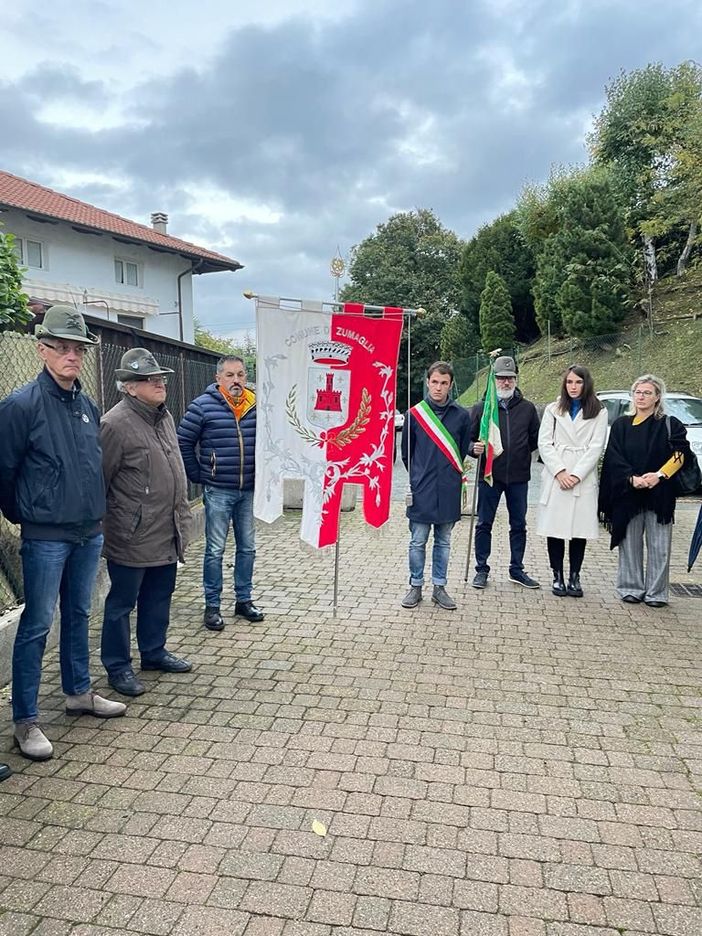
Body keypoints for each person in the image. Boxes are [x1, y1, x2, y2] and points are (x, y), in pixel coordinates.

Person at [0, 305, 126, 762]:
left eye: (78, 348)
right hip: (46, 535)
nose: (72, 356)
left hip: (87, 531)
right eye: (63, 347)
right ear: (42, 350)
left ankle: (78, 693)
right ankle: (26, 720)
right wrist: (33, 515)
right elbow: (5, 473)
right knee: (37, 624)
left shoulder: (87, 405)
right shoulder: (19, 406)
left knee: (78, 614)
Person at [100, 349, 193, 697]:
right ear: (129, 387)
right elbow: (101, 480)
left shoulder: (163, 416)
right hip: (132, 534)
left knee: (159, 596)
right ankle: (118, 666)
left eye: (160, 377)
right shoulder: (114, 423)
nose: (158, 383)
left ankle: (153, 652)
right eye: (148, 379)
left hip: (166, 528)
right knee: (122, 603)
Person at [178, 355, 263, 629]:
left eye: (240, 374)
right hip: (218, 491)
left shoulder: (256, 406)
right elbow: (183, 442)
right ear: (218, 378)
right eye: (229, 375)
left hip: (249, 490)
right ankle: (212, 606)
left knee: (247, 548)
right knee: (215, 549)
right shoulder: (202, 406)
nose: (236, 380)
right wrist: (198, 474)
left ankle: (244, 600)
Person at [598, 374, 690, 607]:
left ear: (657, 397)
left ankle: (657, 593)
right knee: (629, 545)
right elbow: (613, 458)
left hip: (660, 495)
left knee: (660, 547)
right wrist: (631, 478)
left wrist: (658, 476)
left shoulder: (671, 424)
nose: (641, 397)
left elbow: (681, 455)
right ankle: (631, 588)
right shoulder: (621, 425)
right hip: (629, 494)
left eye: (647, 392)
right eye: (638, 392)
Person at [400, 361, 471, 610]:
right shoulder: (414, 415)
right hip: (422, 490)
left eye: (444, 383)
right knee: (417, 541)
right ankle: (415, 586)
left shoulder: (462, 416)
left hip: (449, 489)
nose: (438, 387)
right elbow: (406, 454)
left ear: (450, 385)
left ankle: (439, 588)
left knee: (444, 541)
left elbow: (461, 451)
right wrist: (419, 478)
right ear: (428, 382)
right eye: (434, 382)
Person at [536, 365, 608, 597]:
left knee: (579, 529)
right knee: (554, 528)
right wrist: (560, 472)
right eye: (569, 382)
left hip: (582, 477)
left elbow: (597, 446)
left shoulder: (599, 410)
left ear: (586, 383)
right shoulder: (553, 409)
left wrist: (577, 474)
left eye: (578, 382)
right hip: (557, 474)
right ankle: (556, 575)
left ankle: (575, 576)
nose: (573, 387)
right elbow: (544, 443)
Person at [470, 355, 541, 589]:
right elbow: (468, 442)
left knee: (519, 524)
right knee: (484, 524)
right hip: (489, 476)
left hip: (519, 478)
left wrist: (518, 454)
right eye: (501, 378)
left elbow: (534, 440)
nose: (506, 383)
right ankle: (481, 569)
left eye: (510, 378)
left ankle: (517, 569)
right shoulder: (481, 409)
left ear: (516, 379)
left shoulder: (528, 409)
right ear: (494, 380)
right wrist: (473, 448)